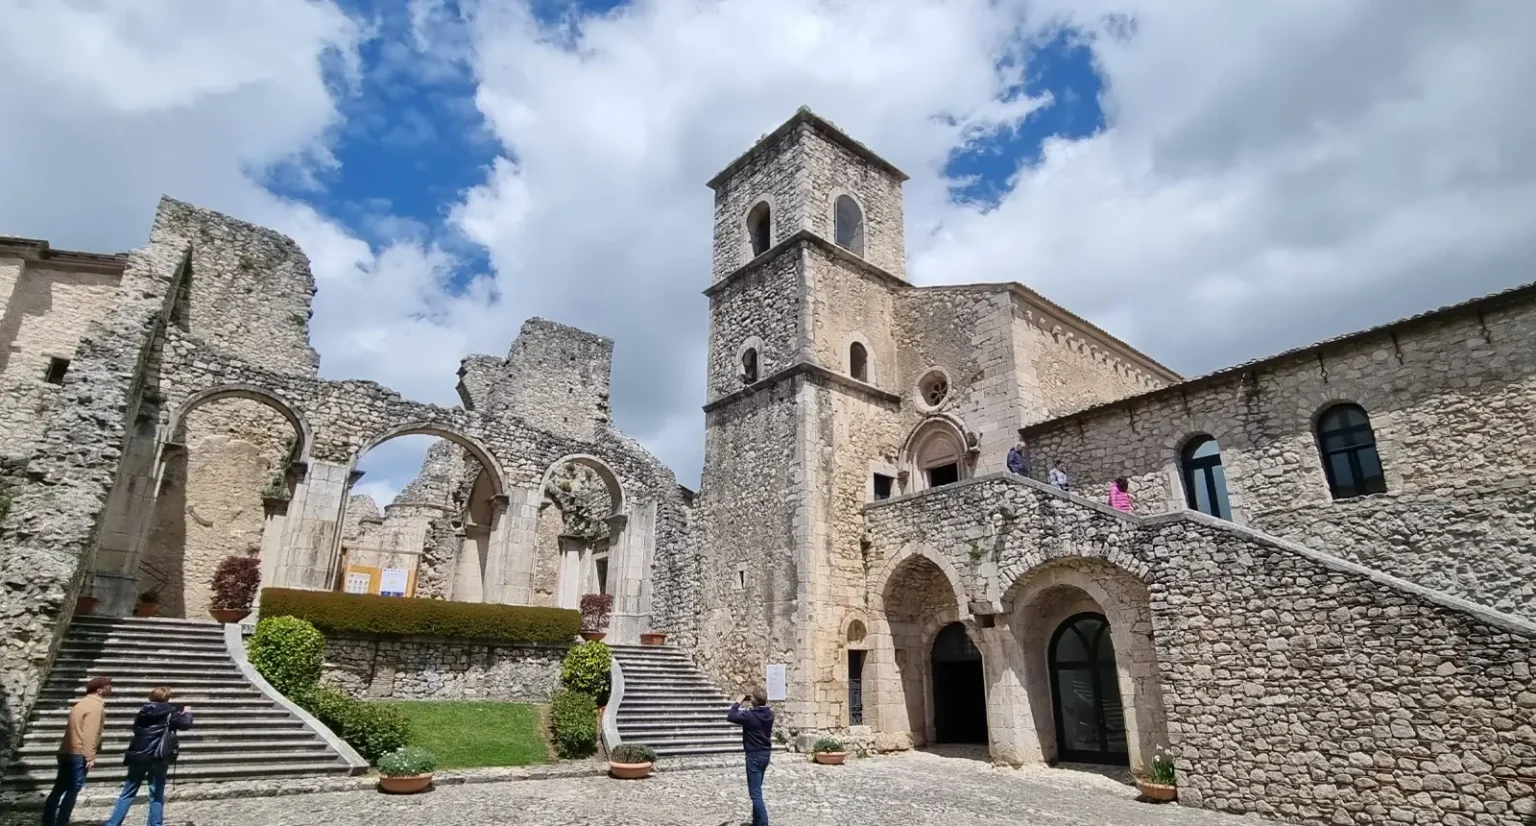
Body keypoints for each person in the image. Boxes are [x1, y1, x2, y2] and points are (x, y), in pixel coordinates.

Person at [102, 687, 194, 826]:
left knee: (127, 792)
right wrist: (187, 712)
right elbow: (186, 724)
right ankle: (155, 824)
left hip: (138, 754)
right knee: (156, 795)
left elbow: (135, 728)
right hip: (158, 756)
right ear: (167, 698)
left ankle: (113, 823)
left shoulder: (143, 711)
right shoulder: (170, 713)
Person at [42, 676, 111, 826]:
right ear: (99, 690)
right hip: (78, 753)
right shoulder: (96, 707)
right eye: (108, 685)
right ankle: (62, 821)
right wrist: (90, 755)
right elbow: (90, 733)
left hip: (66, 750)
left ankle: (47, 820)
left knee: (59, 787)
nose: (110, 687)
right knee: (73, 789)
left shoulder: (81, 703)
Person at [726, 687, 775, 826]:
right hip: (765, 754)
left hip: (754, 755)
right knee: (757, 789)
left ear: (753, 701)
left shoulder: (750, 716)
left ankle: (764, 823)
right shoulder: (770, 714)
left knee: (755, 794)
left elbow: (731, 716)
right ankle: (757, 822)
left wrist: (738, 702)